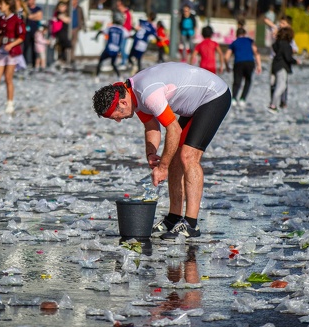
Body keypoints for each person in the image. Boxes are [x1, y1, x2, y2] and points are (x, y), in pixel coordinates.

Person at [92, 62, 231, 239]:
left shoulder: (147, 94)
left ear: (123, 102)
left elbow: (174, 129)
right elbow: (151, 126)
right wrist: (151, 153)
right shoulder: (133, 95)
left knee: (188, 157)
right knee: (173, 157)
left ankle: (191, 224)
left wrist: (162, 167)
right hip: (194, 105)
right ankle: (174, 218)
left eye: (116, 117)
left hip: (214, 96)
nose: (118, 121)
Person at [223, 27, 262, 107]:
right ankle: (242, 99)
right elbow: (256, 53)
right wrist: (259, 66)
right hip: (249, 62)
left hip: (238, 63)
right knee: (248, 80)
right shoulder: (250, 41)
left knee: (237, 81)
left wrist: (227, 66)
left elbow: (226, 57)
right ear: (244, 34)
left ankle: (234, 98)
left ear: (236, 35)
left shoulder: (234, 42)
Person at [268, 27, 299, 113]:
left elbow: (275, 49)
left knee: (274, 85)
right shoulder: (287, 46)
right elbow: (288, 58)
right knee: (282, 86)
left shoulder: (276, 44)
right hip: (282, 67)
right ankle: (273, 105)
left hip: (274, 65)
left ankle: (273, 103)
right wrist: (296, 61)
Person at [93, 14, 129, 82]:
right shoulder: (123, 29)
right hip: (115, 50)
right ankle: (119, 76)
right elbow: (128, 35)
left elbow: (101, 31)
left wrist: (96, 37)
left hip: (108, 49)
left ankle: (97, 77)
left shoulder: (110, 27)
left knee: (100, 61)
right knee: (113, 64)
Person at [24, 0, 43, 69]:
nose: (30, 1)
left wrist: (32, 16)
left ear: (34, 0)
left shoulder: (38, 8)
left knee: (34, 48)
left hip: (35, 30)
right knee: (25, 47)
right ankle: (24, 62)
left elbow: (39, 17)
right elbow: (26, 16)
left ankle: (34, 64)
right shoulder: (26, 8)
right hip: (27, 31)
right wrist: (35, 16)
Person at [115, 0, 133, 67]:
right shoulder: (123, 13)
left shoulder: (126, 13)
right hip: (121, 33)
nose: (117, 7)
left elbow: (128, 24)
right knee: (120, 48)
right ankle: (125, 60)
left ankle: (125, 61)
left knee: (122, 48)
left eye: (118, 6)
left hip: (125, 33)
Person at [70, 0, 86, 65]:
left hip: (76, 28)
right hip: (69, 28)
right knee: (68, 43)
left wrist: (83, 26)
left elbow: (82, 18)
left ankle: (72, 58)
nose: (74, 1)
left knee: (74, 43)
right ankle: (66, 57)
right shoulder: (69, 8)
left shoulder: (79, 8)